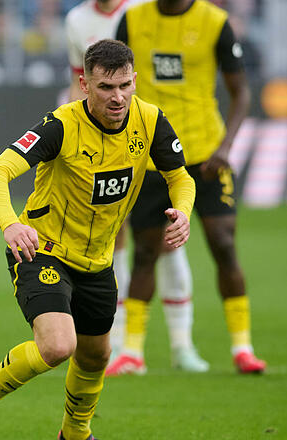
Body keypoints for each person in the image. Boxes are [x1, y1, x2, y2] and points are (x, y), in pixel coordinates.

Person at [0, 39, 196, 440]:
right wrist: (9, 225)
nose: (118, 97)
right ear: (84, 83)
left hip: (97, 260)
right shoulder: (61, 125)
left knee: (97, 356)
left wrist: (182, 211)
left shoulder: (149, 120)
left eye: (125, 86)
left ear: (134, 81)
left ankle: (76, 437)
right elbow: (0, 169)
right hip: (42, 250)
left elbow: (179, 177)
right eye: (106, 88)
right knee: (60, 345)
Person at [110, 0, 267, 375]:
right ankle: (132, 351)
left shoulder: (215, 23)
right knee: (146, 252)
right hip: (150, 156)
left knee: (224, 244)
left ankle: (242, 347)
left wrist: (226, 148)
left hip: (205, 155)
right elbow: (114, 87)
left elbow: (241, 92)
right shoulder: (132, 20)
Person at [66, 0, 209, 373]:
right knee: (110, 240)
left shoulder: (146, 12)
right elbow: (75, 82)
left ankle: (182, 346)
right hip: (98, 142)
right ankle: (120, 344)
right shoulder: (77, 20)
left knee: (166, 242)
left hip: (150, 136)